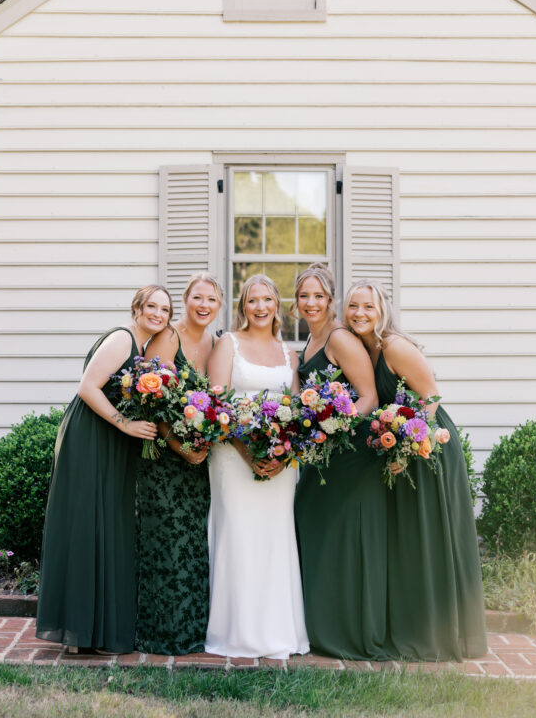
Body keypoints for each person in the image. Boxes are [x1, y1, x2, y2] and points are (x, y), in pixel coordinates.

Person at [340, 279, 487, 660]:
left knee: (429, 535)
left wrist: (410, 440)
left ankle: (440, 635)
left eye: (367, 307)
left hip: (429, 445)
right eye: (353, 306)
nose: (359, 313)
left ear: (382, 310)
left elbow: (432, 397)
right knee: (410, 540)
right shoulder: (365, 350)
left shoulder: (394, 346)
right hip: (402, 449)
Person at [36, 285, 172, 655]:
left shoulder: (144, 350)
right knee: (86, 525)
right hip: (91, 437)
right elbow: (86, 388)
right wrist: (125, 424)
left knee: (104, 526)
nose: (158, 314)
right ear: (137, 308)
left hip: (110, 441)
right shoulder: (122, 339)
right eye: (152, 307)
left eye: (165, 309)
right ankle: (80, 629)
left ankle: (94, 629)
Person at [204, 274, 309, 659]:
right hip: (233, 457)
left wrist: (281, 456)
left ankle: (278, 632)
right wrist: (249, 452)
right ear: (242, 306)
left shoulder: (289, 354)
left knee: (274, 538)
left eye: (267, 299)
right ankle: (236, 633)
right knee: (238, 534)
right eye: (252, 300)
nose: (260, 307)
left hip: (280, 463)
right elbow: (216, 406)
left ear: (276, 305)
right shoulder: (226, 344)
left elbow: (298, 413)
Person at [292, 263, 379, 659]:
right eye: (303, 296)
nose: (311, 303)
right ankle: (319, 627)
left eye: (318, 296)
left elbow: (369, 396)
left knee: (337, 539)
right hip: (320, 453)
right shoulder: (309, 342)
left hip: (347, 454)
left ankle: (342, 632)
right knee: (312, 529)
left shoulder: (340, 338)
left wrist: (334, 428)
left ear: (330, 300)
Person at [135, 273, 223, 655]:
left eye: (212, 299)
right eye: (197, 298)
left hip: (200, 462)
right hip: (164, 460)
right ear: (185, 301)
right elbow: (152, 398)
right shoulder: (168, 338)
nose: (204, 305)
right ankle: (160, 634)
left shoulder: (218, 344)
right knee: (165, 542)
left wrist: (202, 444)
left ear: (219, 305)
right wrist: (178, 446)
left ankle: (192, 631)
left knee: (193, 544)